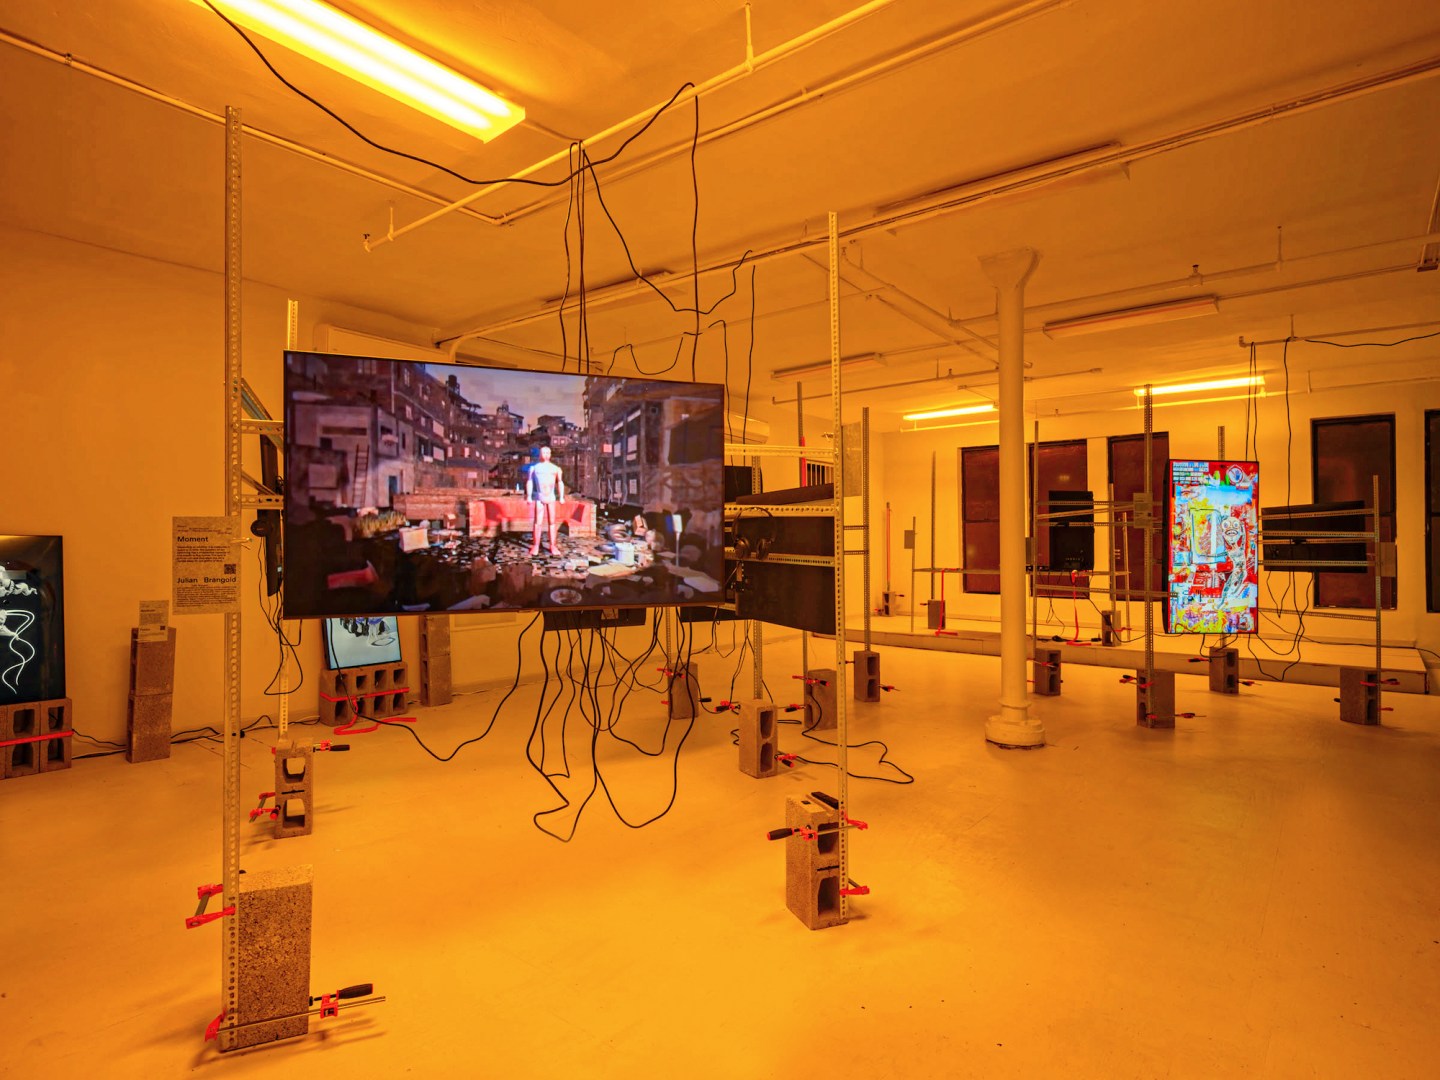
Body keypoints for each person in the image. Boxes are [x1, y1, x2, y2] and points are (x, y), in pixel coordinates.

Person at [527, 446, 565, 556]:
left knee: (552, 522)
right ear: (540, 454)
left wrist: (561, 497)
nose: (546, 454)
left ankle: (553, 545)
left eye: (548, 452)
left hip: (551, 497)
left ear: (551, 454)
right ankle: (536, 545)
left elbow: (560, 482)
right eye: (543, 452)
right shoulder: (534, 468)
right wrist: (529, 496)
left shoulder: (555, 469)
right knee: (537, 523)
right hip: (539, 497)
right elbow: (530, 481)